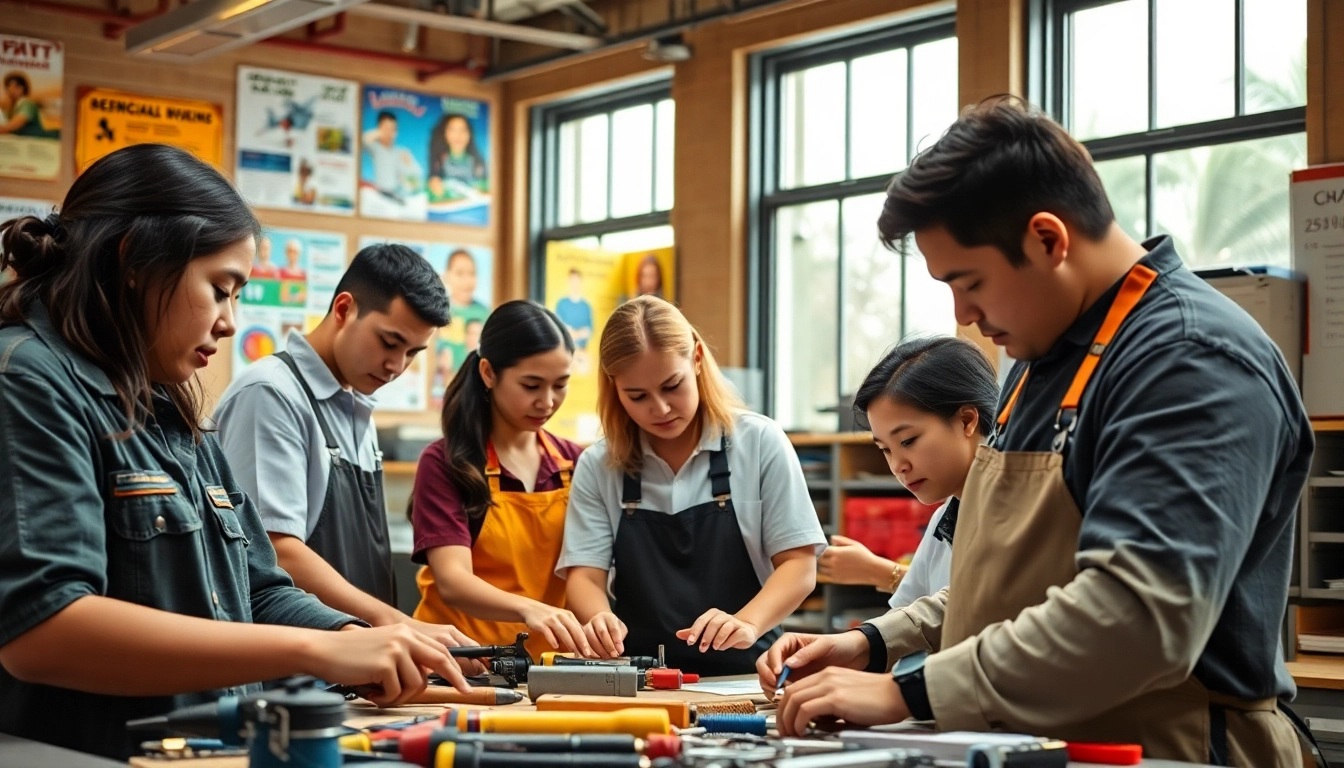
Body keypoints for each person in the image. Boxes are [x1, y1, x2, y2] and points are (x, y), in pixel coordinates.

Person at [759, 98, 1312, 766]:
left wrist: (910, 691)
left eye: (969, 283)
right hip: (1034, 741)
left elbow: (1137, 616)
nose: (962, 315)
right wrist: (877, 643)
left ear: (1048, 239)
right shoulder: (1037, 361)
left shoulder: (1190, 360)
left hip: (1170, 748)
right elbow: (1017, 588)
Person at [0, 144, 467, 760]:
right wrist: (316, 650)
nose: (228, 323)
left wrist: (365, 638)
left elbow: (260, 586)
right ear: (136, 261)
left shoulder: (164, 403)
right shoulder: (29, 378)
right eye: (221, 289)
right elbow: (44, 632)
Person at [215, 243, 473, 649]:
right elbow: (273, 550)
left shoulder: (356, 404)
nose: (397, 367)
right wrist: (395, 623)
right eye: (389, 342)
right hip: (294, 668)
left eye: (412, 353)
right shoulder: (271, 394)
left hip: (361, 664)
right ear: (343, 309)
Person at [559, 296, 827, 676]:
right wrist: (600, 617)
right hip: (639, 680)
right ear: (613, 387)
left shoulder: (760, 442)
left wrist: (747, 623)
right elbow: (584, 575)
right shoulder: (598, 465)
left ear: (697, 359)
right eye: (637, 396)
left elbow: (799, 566)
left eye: (672, 386)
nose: (661, 409)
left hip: (747, 677)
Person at [411, 300, 592, 660]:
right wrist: (529, 609)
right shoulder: (446, 463)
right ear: (489, 373)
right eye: (531, 385)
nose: (547, 401)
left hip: (548, 666)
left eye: (560, 385)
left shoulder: (578, 462)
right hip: (459, 662)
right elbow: (453, 581)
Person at [817, 337, 997, 609]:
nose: (898, 466)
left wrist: (878, 572)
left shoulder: (1014, 514)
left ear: (966, 421)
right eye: (885, 450)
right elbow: (910, 616)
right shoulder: (944, 519)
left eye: (908, 441)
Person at [363, 110, 422, 202]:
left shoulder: (401, 151)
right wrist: (380, 133)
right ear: (379, 128)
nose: (389, 132)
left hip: (397, 196)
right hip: (378, 195)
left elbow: (417, 174)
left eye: (393, 129)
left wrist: (409, 163)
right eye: (386, 128)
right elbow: (362, 141)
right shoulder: (375, 148)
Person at [427, 114, 487, 200]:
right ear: (444, 133)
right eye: (453, 130)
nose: (458, 135)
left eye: (463, 130)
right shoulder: (439, 161)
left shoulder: (477, 163)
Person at [0, 72, 57, 138]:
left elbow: (13, 125)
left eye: (15, 87)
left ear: (23, 88)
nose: (11, 90)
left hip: (38, 141)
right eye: (8, 86)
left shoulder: (27, 104)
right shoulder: (12, 107)